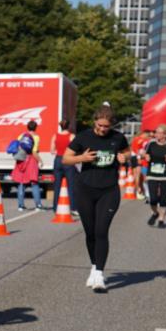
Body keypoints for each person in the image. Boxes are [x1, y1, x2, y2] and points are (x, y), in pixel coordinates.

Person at [62, 103, 131, 292]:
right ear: (95, 122)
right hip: (85, 189)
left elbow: (126, 152)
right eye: (99, 125)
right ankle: (94, 265)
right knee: (90, 232)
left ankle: (100, 274)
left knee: (101, 231)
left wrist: (124, 158)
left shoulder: (118, 138)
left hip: (108, 190)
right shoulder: (83, 137)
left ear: (111, 125)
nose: (102, 129)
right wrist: (81, 159)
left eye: (106, 126)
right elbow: (65, 158)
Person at [142, 124, 166, 228]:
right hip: (152, 174)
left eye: (158, 133)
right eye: (156, 132)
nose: (156, 134)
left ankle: (161, 220)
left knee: (163, 198)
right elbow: (144, 153)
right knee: (153, 198)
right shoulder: (151, 143)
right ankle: (155, 213)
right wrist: (146, 156)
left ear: (165, 135)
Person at [13, 120, 43, 211]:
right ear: (35, 128)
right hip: (31, 160)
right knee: (34, 182)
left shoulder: (21, 135)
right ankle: (38, 205)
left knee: (21, 183)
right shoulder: (36, 137)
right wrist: (40, 160)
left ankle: (20, 206)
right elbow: (34, 151)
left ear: (27, 127)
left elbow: (17, 147)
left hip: (21, 160)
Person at [51, 118, 75, 212]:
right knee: (71, 185)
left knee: (57, 185)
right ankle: (72, 207)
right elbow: (75, 149)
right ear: (68, 126)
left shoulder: (55, 136)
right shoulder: (71, 136)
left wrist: (59, 150)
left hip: (58, 160)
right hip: (68, 160)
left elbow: (52, 150)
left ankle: (55, 207)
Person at [130, 129, 152, 199]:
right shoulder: (139, 139)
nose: (148, 136)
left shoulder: (142, 139)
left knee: (140, 176)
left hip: (137, 158)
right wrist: (139, 158)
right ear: (144, 133)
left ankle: (140, 190)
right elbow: (135, 149)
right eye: (148, 135)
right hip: (137, 158)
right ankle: (138, 191)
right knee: (138, 175)